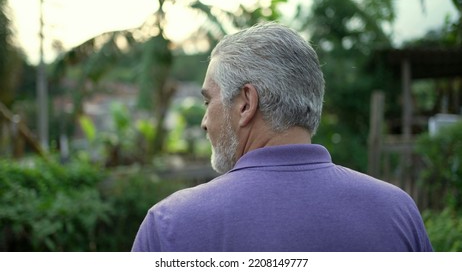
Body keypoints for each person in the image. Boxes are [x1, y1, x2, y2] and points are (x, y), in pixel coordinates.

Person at [131, 22, 433, 252]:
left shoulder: (170, 226)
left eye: (208, 101)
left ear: (246, 104)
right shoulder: (398, 213)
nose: (204, 122)